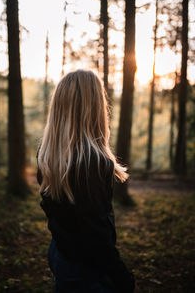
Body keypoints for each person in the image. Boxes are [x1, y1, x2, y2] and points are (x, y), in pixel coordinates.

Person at [36, 69, 140, 293]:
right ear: (94, 107)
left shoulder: (47, 155)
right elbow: (97, 237)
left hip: (60, 252)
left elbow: (51, 208)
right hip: (86, 266)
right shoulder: (93, 162)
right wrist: (124, 280)